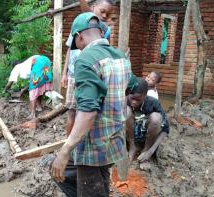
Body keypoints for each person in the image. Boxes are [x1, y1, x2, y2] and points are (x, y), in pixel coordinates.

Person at [51, 12, 131, 197]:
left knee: (71, 171)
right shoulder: (120, 56)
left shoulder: (86, 59)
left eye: (76, 44)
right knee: (67, 173)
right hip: (113, 141)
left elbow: (87, 112)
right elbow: (132, 87)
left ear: (79, 37)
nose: (77, 48)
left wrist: (65, 150)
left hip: (92, 147)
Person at [61, 0, 114, 136]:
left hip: (91, 73)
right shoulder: (79, 25)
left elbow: (107, 50)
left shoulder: (105, 31)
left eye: (108, 15)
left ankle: (79, 140)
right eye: (102, 11)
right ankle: (69, 142)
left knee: (86, 110)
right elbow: (69, 50)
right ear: (93, 7)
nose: (104, 16)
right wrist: (64, 73)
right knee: (72, 111)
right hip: (74, 74)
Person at [126, 78, 169, 163]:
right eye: (132, 98)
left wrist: (150, 151)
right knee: (126, 111)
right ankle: (132, 147)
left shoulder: (153, 103)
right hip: (129, 137)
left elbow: (165, 129)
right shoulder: (124, 101)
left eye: (138, 99)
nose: (134, 102)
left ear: (145, 96)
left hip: (146, 137)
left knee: (156, 117)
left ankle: (145, 150)